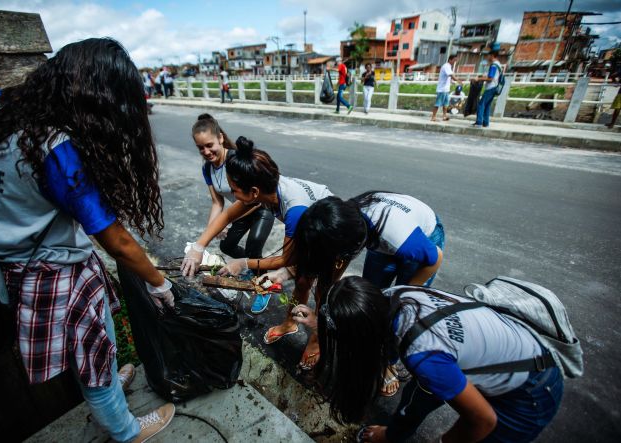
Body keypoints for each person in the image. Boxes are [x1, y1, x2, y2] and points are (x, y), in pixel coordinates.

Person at [0, 38, 175, 442]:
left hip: (6, 258)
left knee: (94, 347)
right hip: (53, 269)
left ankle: (110, 389)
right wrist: (159, 283)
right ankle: (126, 429)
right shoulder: (54, 147)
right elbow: (117, 241)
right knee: (93, 352)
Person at [291, 276, 564, 443]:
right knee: (419, 396)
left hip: (530, 393)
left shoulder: (425, 356)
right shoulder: (392, 297)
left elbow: (482, 420)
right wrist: (320, 323)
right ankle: (394, 435)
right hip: (512, 348)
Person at [180, 137, 332, 363]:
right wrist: (198, 247)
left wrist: (243, 263)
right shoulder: (266, 189)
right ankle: (290, 322)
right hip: (309, 229)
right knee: (301, 283)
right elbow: (228, 214)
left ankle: (318, 338)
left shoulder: (294, 209)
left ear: (252, 192)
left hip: (331, 235)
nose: (233, 196)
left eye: (234, 191)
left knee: (322, 291)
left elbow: (286, 259)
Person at [274, 191, 444, 390]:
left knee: (396, 313)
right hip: (382, 236)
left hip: (423, 241)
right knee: (371, 302)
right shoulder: (346, 217)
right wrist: (319, 328)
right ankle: (365, 344)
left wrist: (402, 295)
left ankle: (387, 361)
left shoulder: (398, 238)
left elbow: (435, 259)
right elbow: (333, 270)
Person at [192, 114, 274, 286]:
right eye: (201, 148)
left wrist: (226, 220)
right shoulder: (207, 168)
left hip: (260, 207)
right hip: (240, 210)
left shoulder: (235, 160)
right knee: (226, 246)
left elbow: (256, 197)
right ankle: (256, 266)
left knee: (254, 244)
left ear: (220, 138)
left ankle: (264, 284)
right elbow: (217, 203)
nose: (206, 152)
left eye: (209, 145)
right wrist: (212, 230)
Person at [473, 50, 502, 128]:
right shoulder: (499, 65)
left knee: (481, 104)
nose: (487, 57)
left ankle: (479, 122)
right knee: (487, 105)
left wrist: (479, 79)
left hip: (490, 87)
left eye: (488, 55)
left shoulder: (494, 65)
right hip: (495, 87)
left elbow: (490, 78)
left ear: (492, 55)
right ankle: (485, 123)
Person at [432, 54, 462, 122]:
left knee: (446, 104)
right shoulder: (446, 66)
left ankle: (444, 116)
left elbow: (449, 77)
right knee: (438, 104)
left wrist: (453, 82)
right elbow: (451, 76)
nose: (455, 61)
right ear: (450, 59)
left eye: (456, 60)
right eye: (454, 60)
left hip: (446, 89)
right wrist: (458, 80)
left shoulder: (449, 66)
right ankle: (433, 117)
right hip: (442, 89)